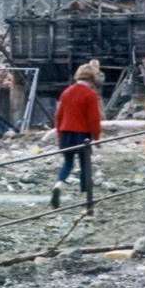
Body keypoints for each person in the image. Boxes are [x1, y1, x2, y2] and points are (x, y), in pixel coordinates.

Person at [51, 63, 102, 209]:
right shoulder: (90, 94)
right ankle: (86, 196)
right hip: (82, 134)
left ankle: (59, 184)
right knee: (85, 165)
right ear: (92, 78)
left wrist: (58, 134)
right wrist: (97, 138)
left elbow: (58, 115)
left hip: (66, 132)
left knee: (67, 163)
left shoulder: (66, 92)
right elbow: (93, 119)